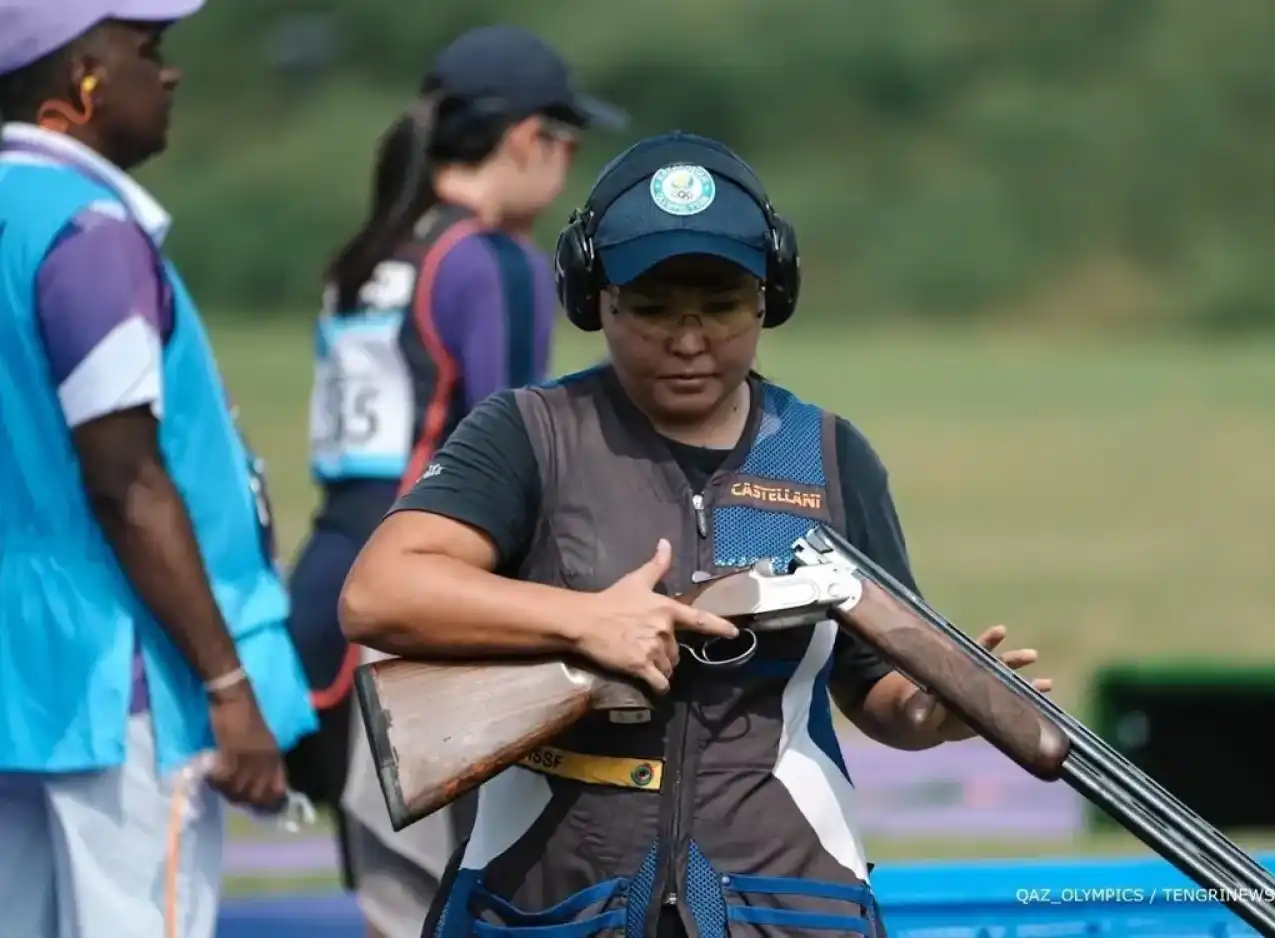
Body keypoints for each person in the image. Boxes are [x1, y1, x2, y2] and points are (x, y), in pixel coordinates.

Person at [338, 130, 1054, 938]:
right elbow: (379, 592)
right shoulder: (529, 433)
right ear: (595, 299)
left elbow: (873, 685)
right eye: (650, 310)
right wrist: (586, 621)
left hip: (780, 900)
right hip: (552, 897)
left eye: (719, 308)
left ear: (766, 300)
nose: (687, 341)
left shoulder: (825, 453)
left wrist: (930, 711)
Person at [279, 23, 628, 938]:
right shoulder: (491, 262)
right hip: (426, 618)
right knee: (466, 909)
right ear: (526, 140)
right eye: (567, 146)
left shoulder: (369, 255)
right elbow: (520, 463)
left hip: (324, 604)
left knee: (393, 911)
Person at [0, 4, 318, 938]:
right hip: (127, 678)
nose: (169, 74)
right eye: (150, 50)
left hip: (22, 679)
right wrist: (228, 687)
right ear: (83, 77)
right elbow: (125, 481)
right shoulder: (89, 233)